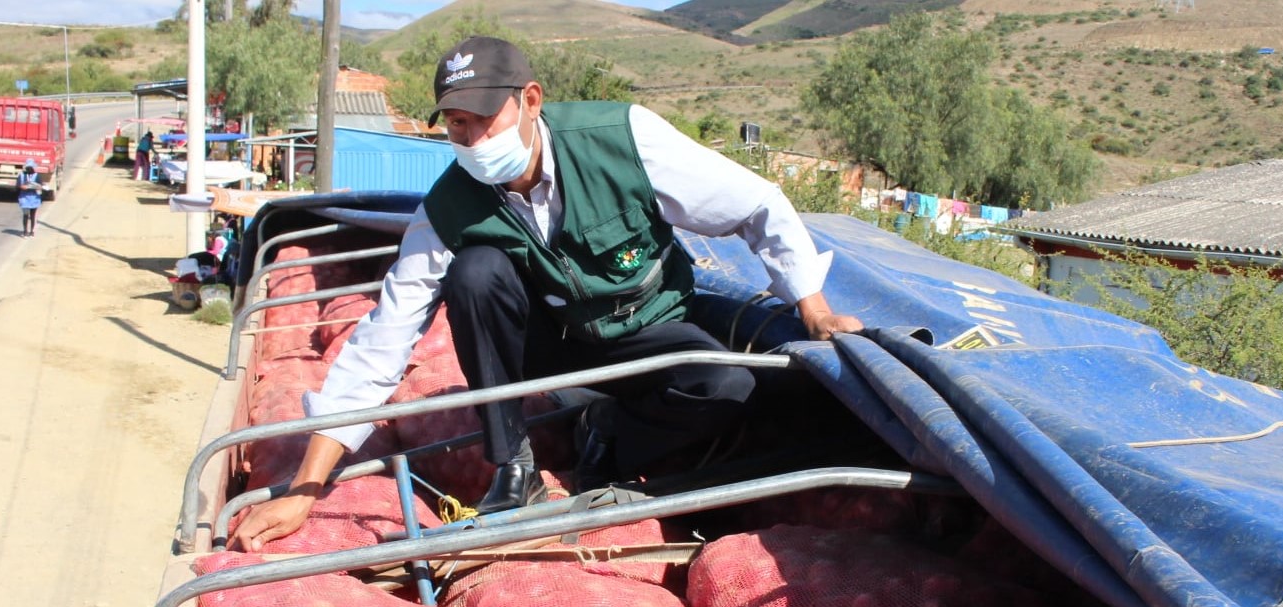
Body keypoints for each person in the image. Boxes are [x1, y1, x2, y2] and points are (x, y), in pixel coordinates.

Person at [232, 36, 860, 550]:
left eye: (485, 120)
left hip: (648, 328)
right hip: (553, 346)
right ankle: (515, 467)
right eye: (456, 125)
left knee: (729, 387)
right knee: (475, 271)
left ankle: (611, 434)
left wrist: (814, 306)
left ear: (531, 100)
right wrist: (306, 488)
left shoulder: (622, 139)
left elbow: (757, 205)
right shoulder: (449, 206)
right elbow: (383, 340)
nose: (473, 141)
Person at [15, 160, 41, 237]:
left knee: (32, 215)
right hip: (25, 199)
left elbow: (40, 186)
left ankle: (32, 231)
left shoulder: (37, 176)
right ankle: (25, 231)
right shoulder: (22, 175)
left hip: (34, 199)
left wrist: (37, 187)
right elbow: (17, 185)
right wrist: (22, 187)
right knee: (26, 215)